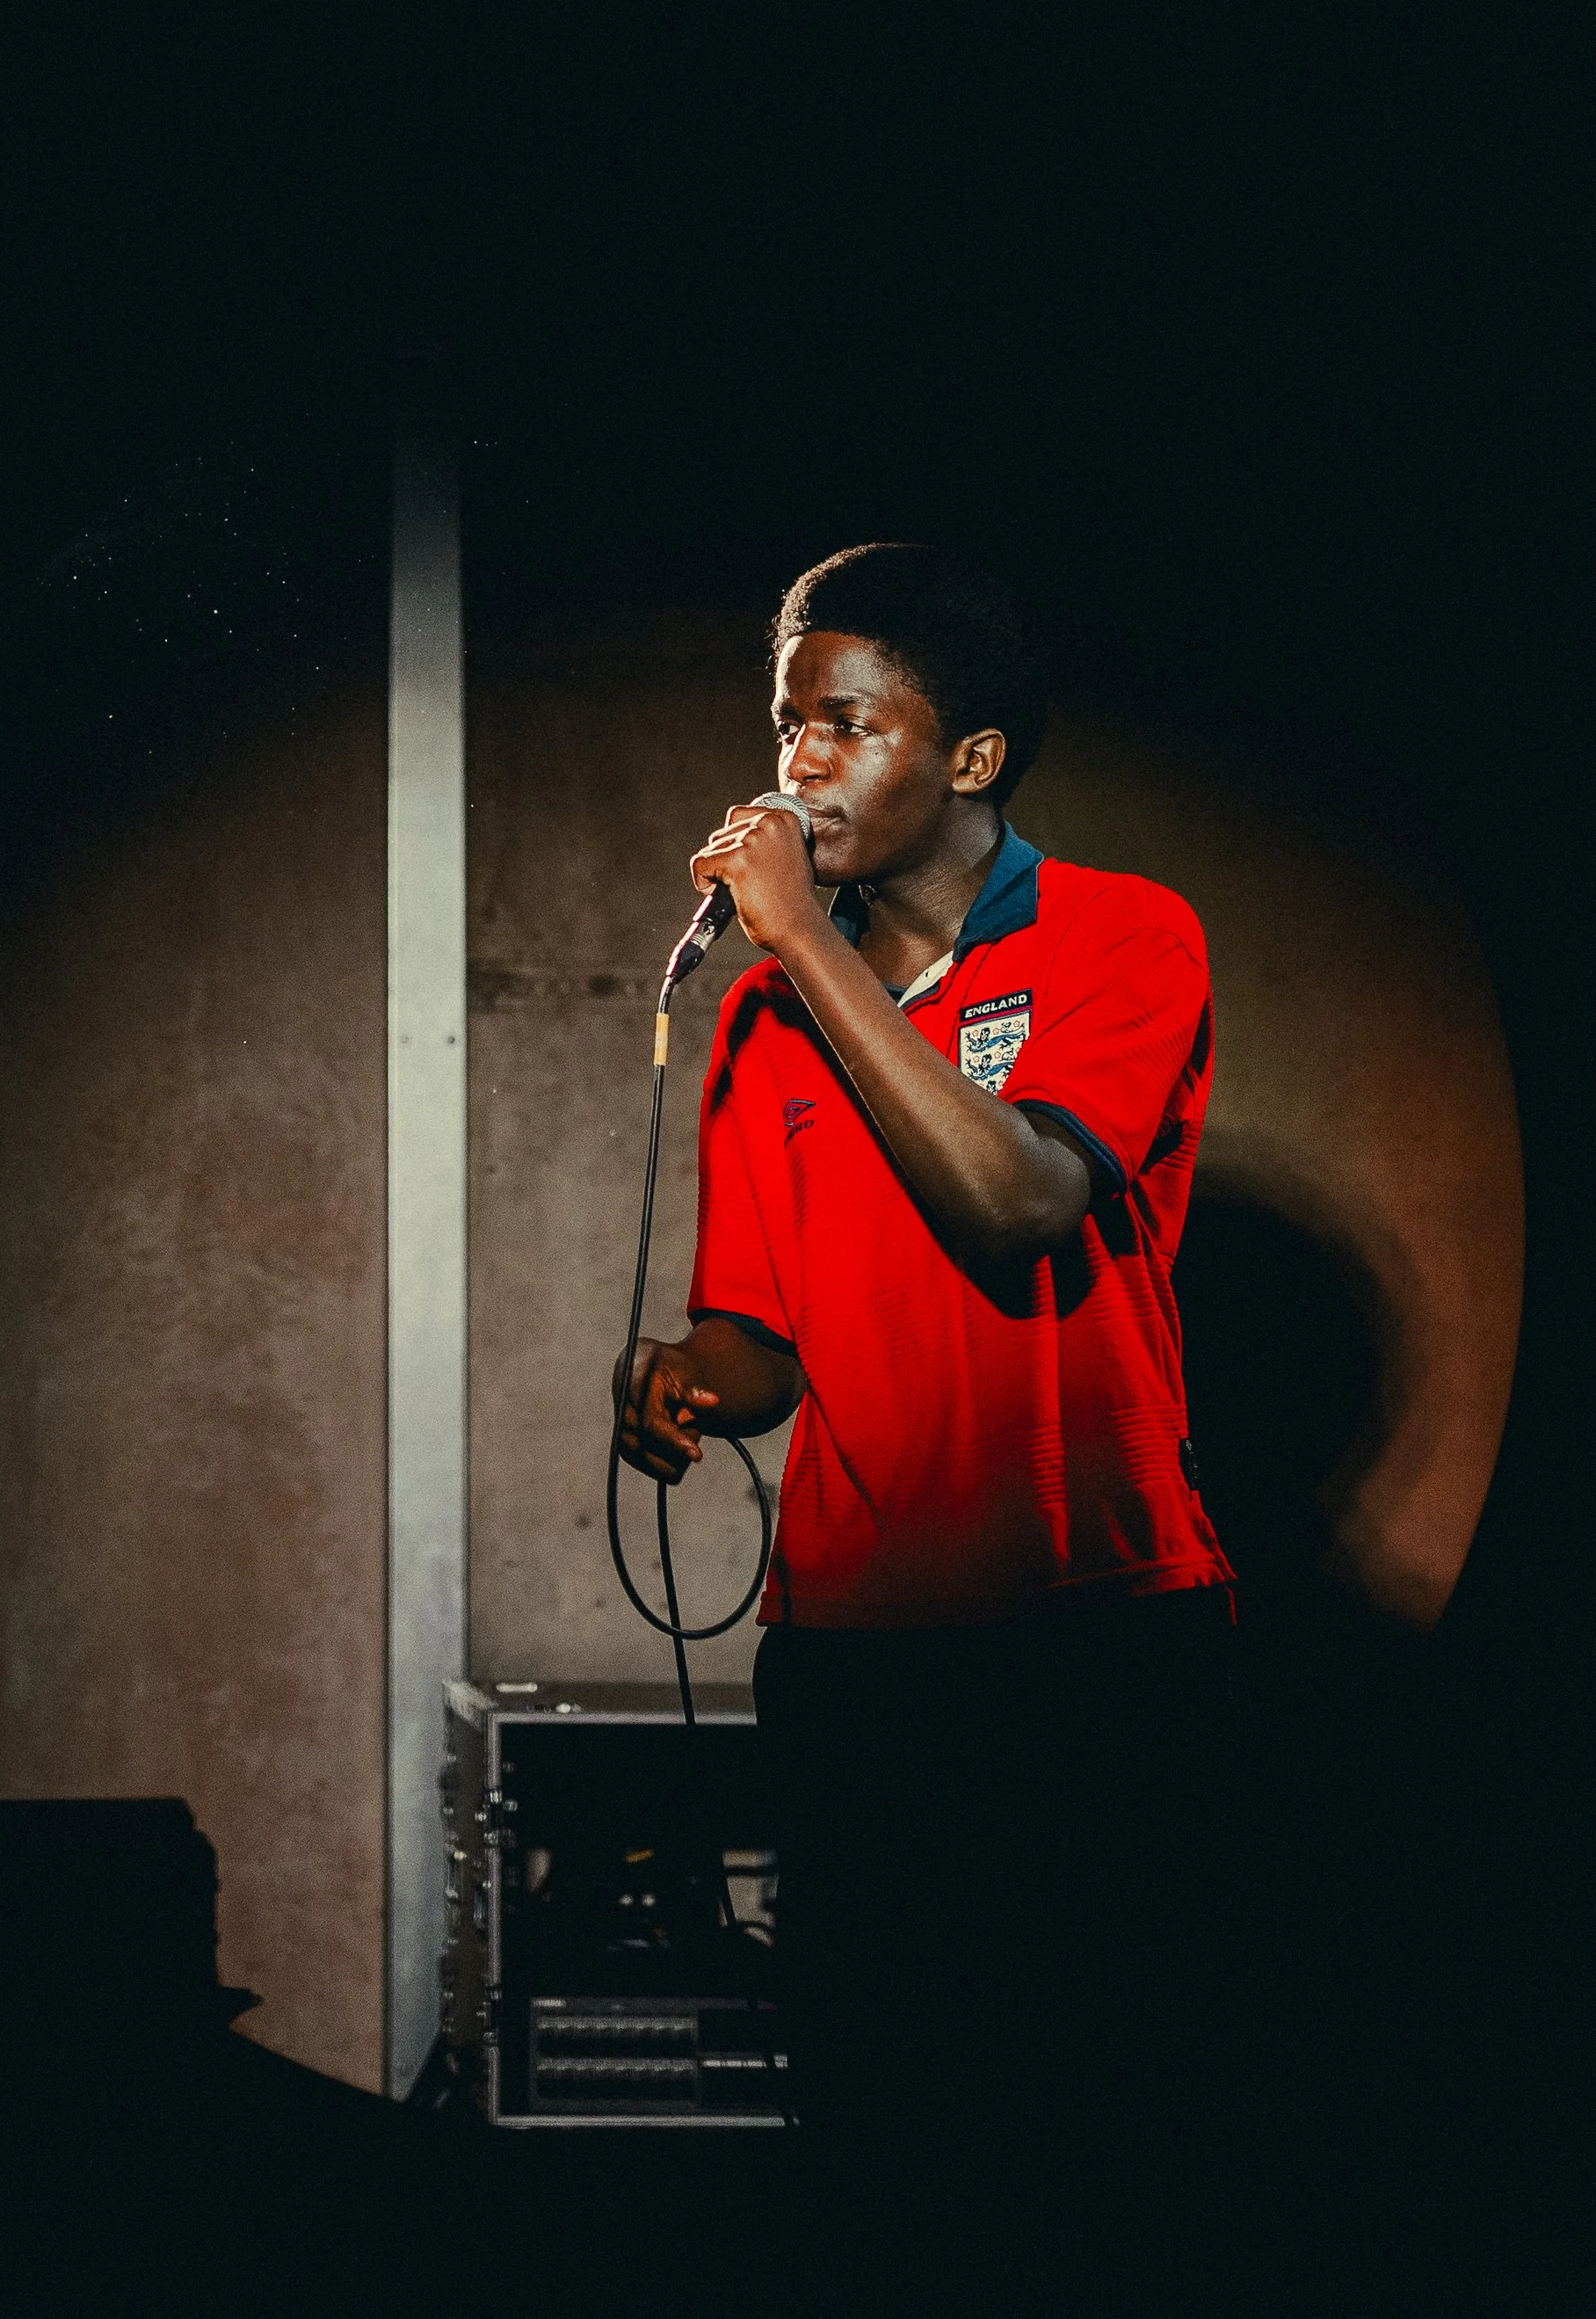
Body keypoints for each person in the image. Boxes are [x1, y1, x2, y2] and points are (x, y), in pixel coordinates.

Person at [617, 543, 1240, 2312]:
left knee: (1104, 2131)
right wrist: (682, 1378)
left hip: (1094, 1638)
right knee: (880, 2141)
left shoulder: (1121, 931)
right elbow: (768, 1347)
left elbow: (1018, 1205)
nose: (793, 763)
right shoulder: (753, 1020)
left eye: (841, 725)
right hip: (856, 1655)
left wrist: (802, 940)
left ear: (966, 758)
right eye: (780, 726)